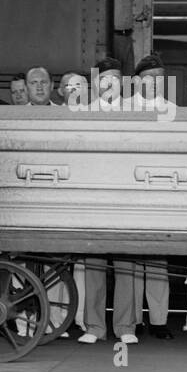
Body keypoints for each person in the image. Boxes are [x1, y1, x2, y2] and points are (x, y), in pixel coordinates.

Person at [79, 58, 139, 345]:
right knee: (94, 262)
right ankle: (94, 326)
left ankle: (126, 326)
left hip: (126, 196)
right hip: (94, 194)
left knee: (127, 262)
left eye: (116, 78)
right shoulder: (84, 112)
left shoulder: (135, 113)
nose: (110, 84)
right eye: (105, 79)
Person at [114, 53, 173, 339]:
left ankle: (159, 321)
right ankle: (131, 320)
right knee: (128, 258)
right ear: (137, 81)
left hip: (160, 189)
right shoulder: (121, 109)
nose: (156, 83)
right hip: (128, 189)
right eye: (150, 78)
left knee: (158, 259)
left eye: (160, 78)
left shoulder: (171, 109)